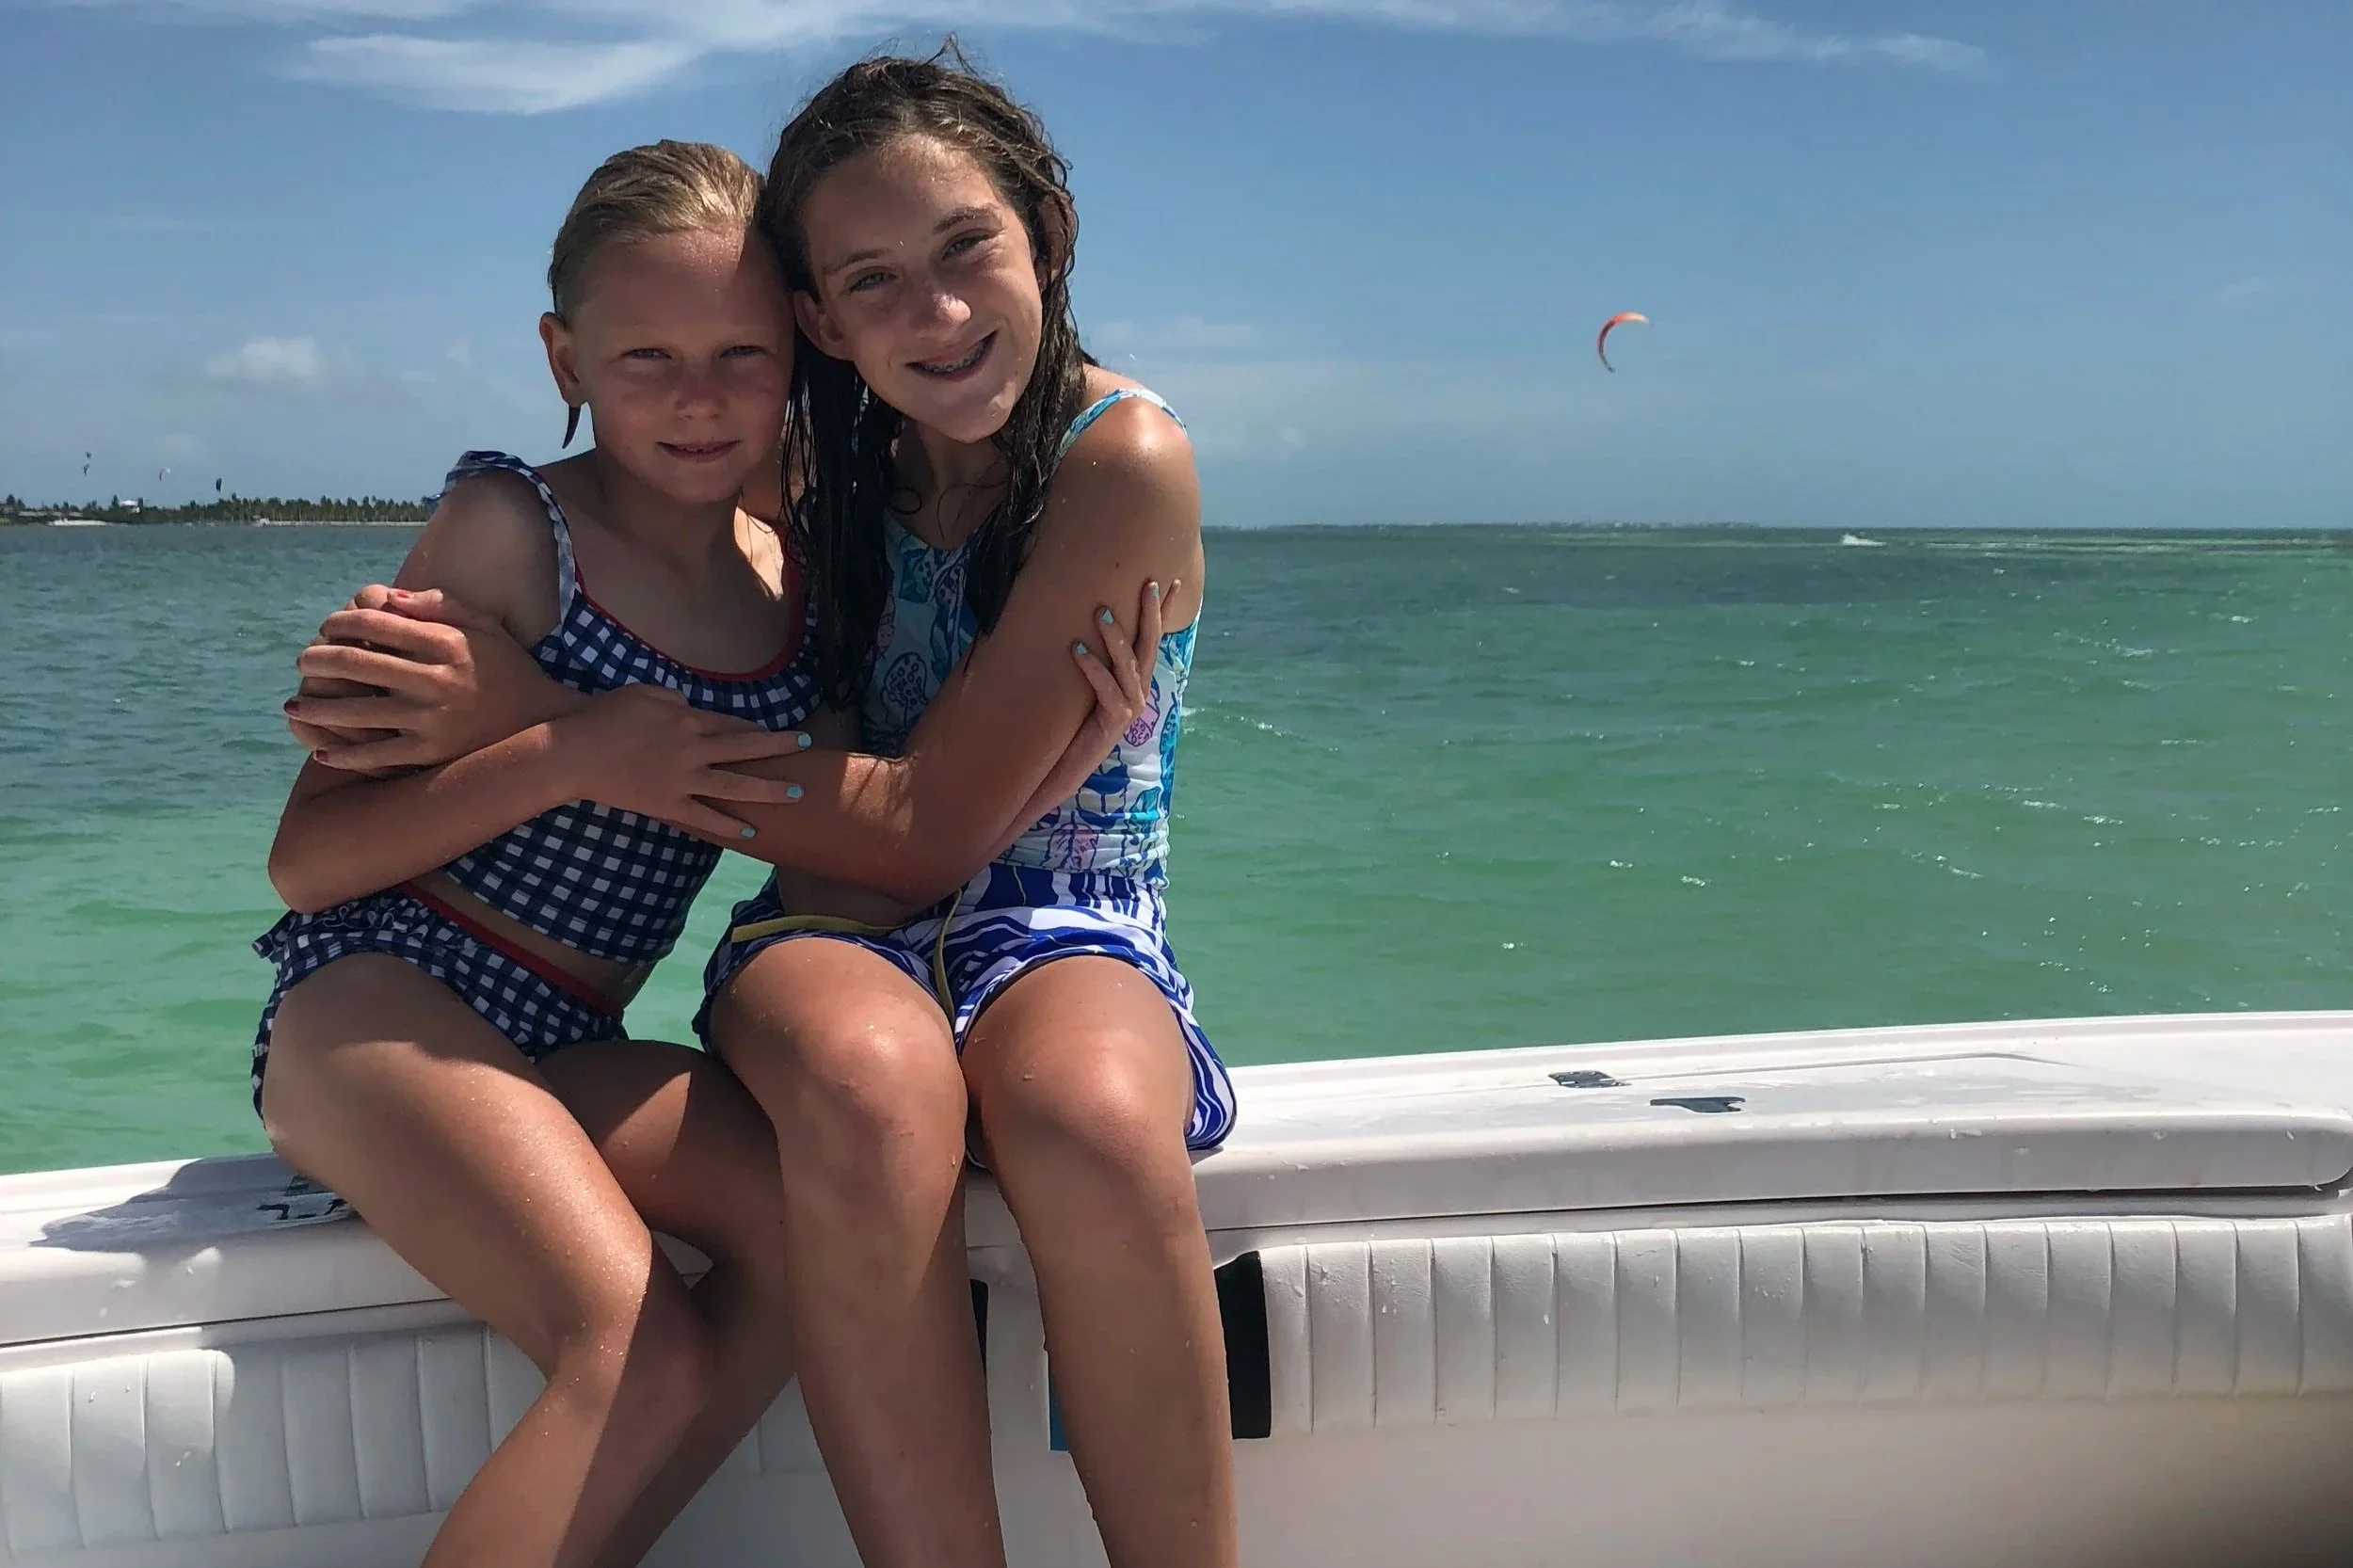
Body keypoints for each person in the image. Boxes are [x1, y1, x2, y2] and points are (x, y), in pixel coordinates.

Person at [285, 47, 1236, 1568]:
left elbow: (915, 810)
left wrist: (555, 722)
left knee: (963, 1178)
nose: (929, 314)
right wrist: (547, 730)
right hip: (535, 969)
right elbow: (311, 843)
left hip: (816, 965)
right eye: (869, 282)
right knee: (753, 1220)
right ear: (822, 320)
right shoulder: (654, 497)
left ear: (1045, 229)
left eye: (965, 249)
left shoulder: (984, 487)